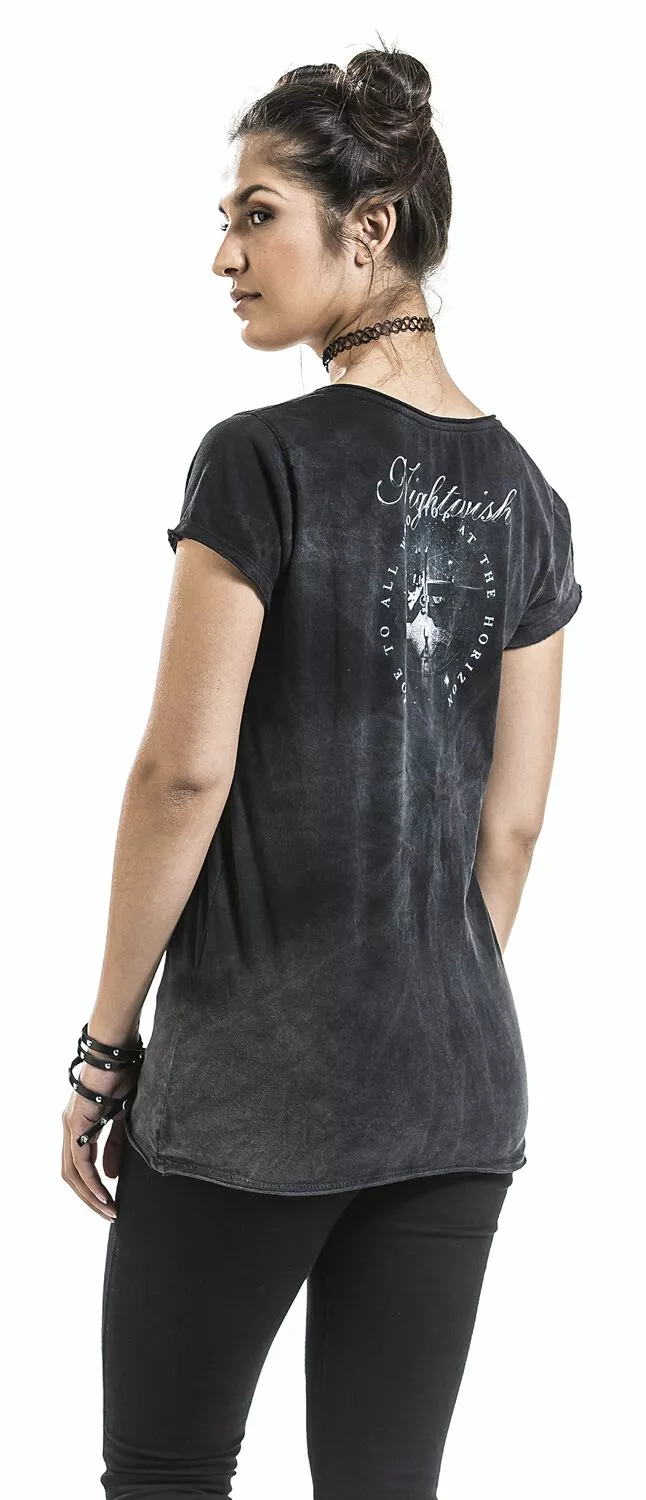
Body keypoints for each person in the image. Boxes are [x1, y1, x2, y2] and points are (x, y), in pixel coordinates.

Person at [61, 39, 583, 1500]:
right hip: (455, 1092)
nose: (223, 256)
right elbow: (514, 829)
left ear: (369, 229)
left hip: (250, 1093)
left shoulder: (260, 462)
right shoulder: (531, 499)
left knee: (166, 1477)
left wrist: (104, 1049)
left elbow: (180, 779)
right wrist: (409, 1009)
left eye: (256, 214)